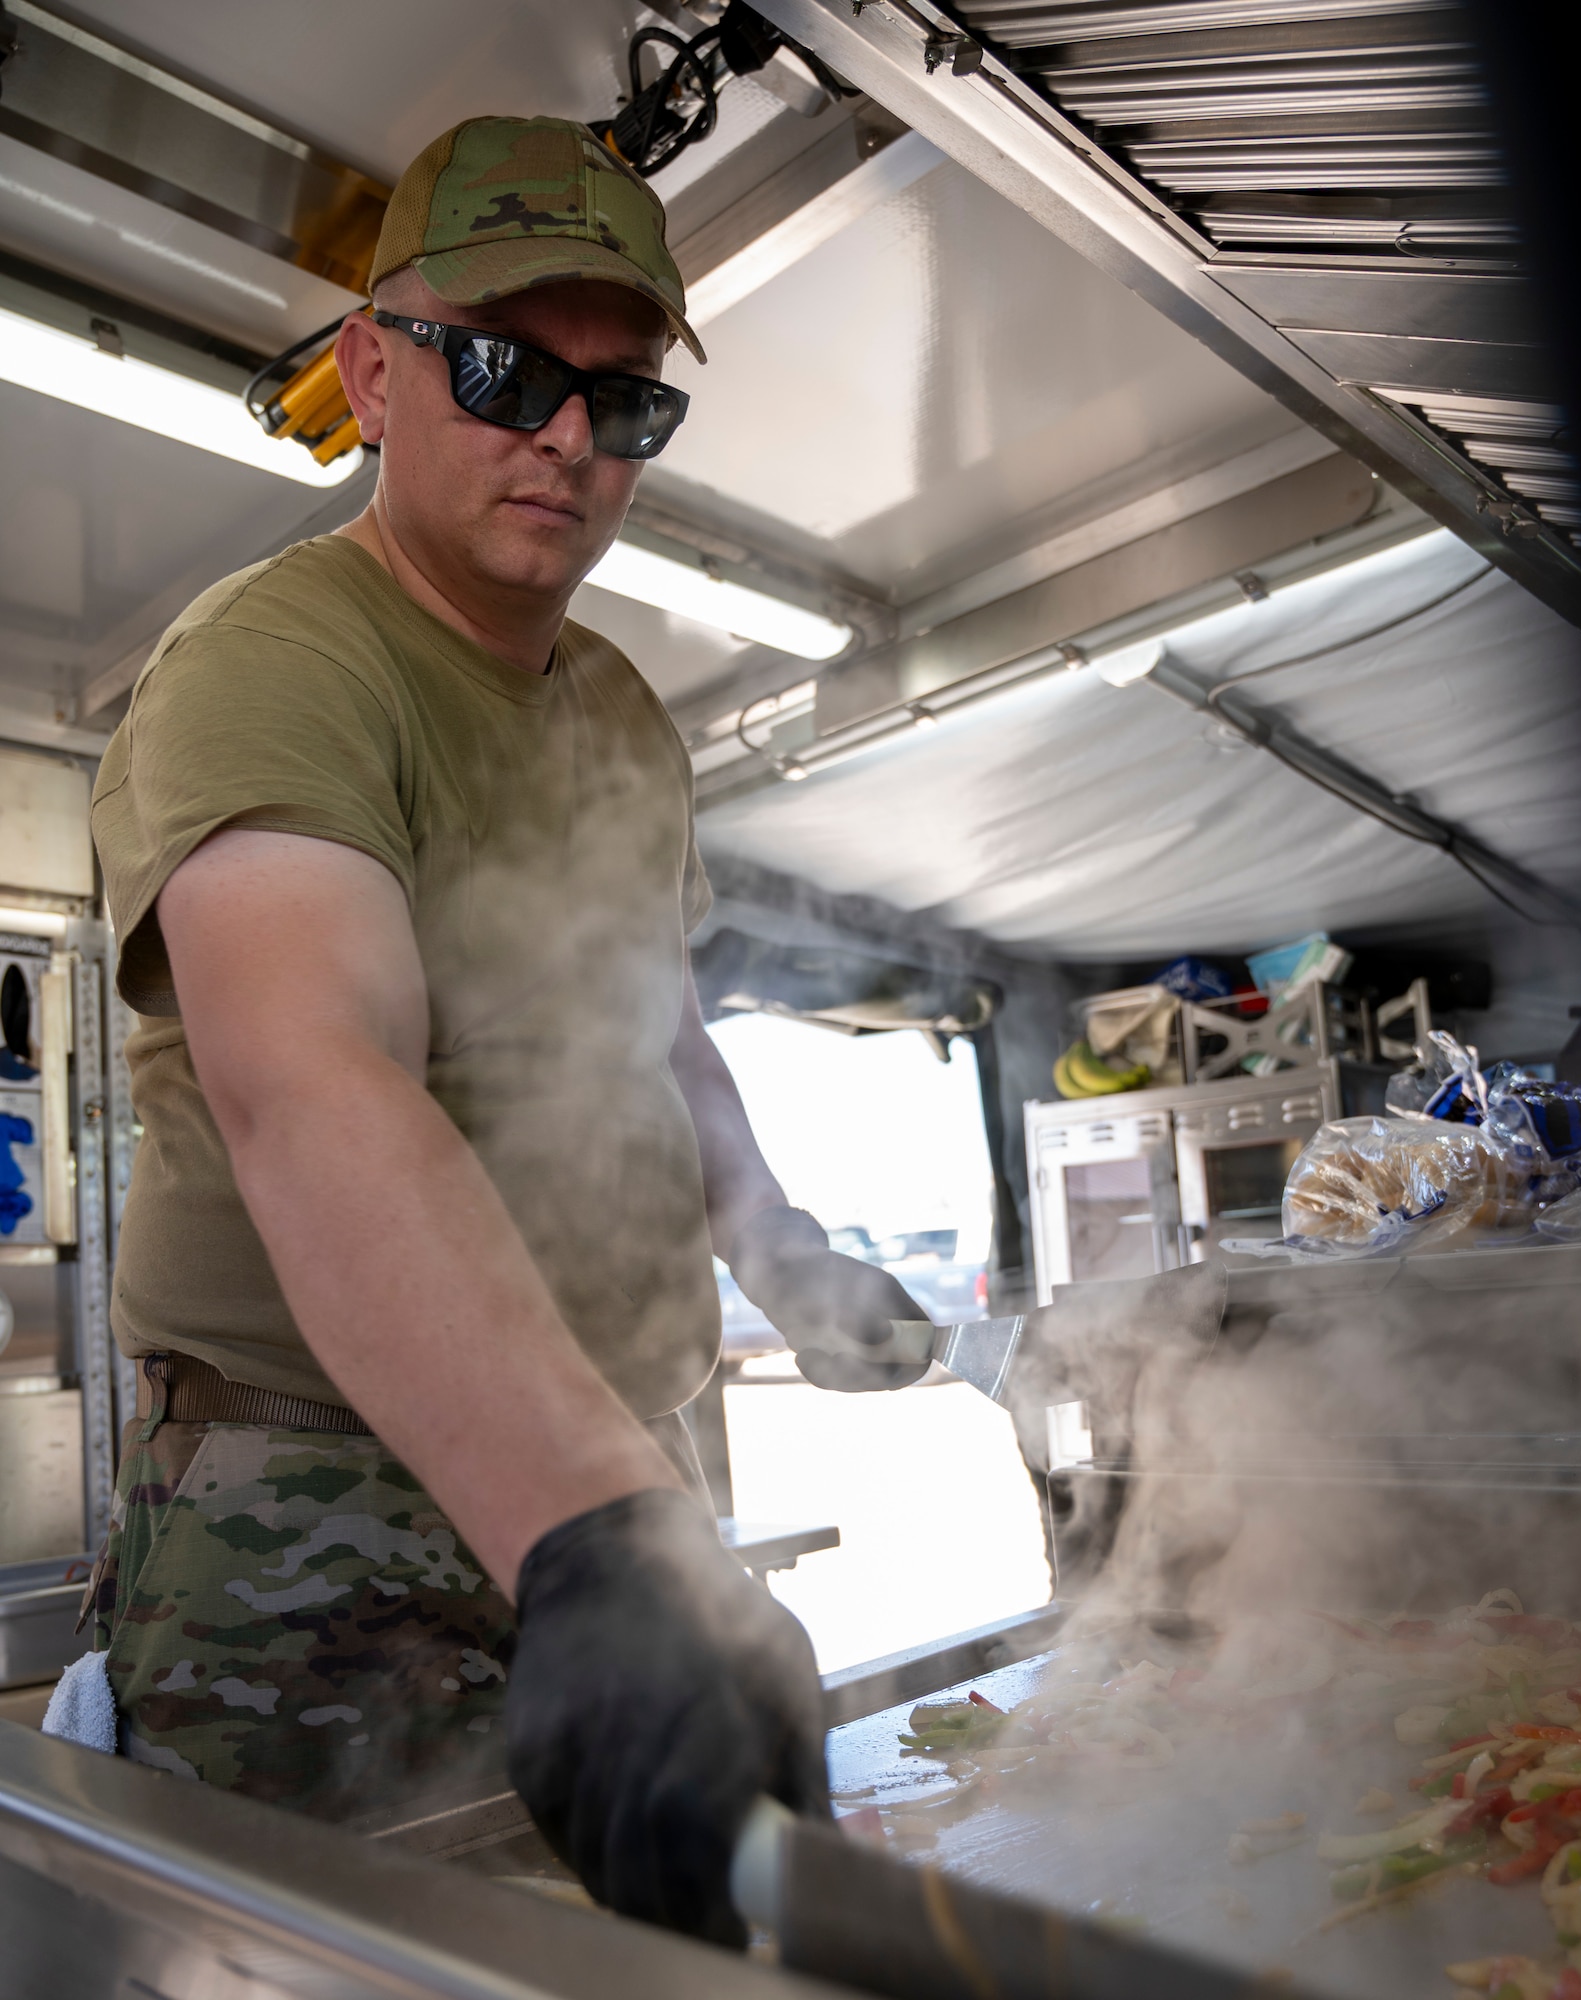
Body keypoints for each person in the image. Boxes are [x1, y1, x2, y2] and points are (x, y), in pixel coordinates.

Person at [86, 114, 925, 1945]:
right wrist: (597, 1533)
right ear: (374, 376)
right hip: (325, 1504)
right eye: (506, 369)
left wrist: (787, 1263)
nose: (566, 436)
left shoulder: (622, 711)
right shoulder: (280, 657)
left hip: (611, 1458)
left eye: (622, 404)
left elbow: (660, 1038)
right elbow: (312, 1081)